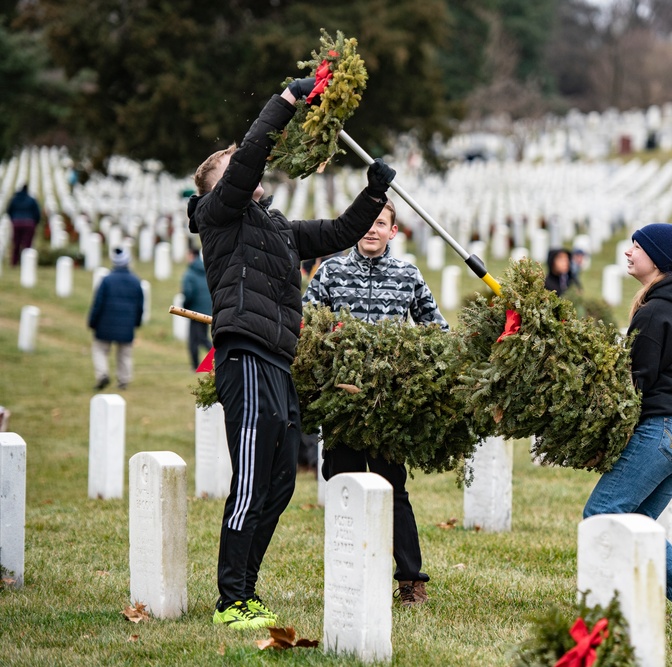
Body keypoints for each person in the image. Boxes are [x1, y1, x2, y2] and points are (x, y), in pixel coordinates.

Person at [187, 74, 396, 631]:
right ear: (219, 184)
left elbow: (335, 232)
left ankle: (247, 593)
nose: (247, 172)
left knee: (279, 485)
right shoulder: (217, 215)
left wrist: (374, 191)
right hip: (246, 354)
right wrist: (285, 101)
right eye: (232, 167)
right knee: (252, 480)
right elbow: (252, 155)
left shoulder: (277, 227)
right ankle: (230, 600)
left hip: (279, 361)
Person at [303, 197, 446, 607]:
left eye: (380, 223)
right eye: (367, 222)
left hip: (387, 406)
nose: (372, 229)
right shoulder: (330, 271)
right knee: (344, 486)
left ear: (392, 231)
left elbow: (435, 327)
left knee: (392, 489)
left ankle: (410, 581)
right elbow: (307, 327)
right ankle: (347, 568)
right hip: (342, 404)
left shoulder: (407, 275)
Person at [583, 222, 672, 618]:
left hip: (666, 432)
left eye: (637, 247)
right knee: (637, 521)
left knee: (602, 513)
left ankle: (601, 608)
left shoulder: (656, 312)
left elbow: (634, 386)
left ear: (658, 259)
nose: (629, 253)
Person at [88, 246, 145, 391]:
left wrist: (92, 322)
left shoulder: (107, 280)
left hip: (105, 323)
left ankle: (102, 374)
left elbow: (97, 303)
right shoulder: (135, 281)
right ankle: (123, 380)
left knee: (100, 349)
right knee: (124, 353)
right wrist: (137, 323)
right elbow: (140, 306)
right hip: (126, 324)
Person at [181, 245, 213, 370]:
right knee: (202, 338)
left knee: (195, 341)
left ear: (191, 255)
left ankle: (197, 365)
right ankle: (202, 364)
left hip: (194, 311)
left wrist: (185, 307)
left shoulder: (189, 273)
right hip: (207, 309)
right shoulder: (205, 270)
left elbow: (188, 293)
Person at [6, 184, 41, 265]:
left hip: (17, 222)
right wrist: (36, 222)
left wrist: (13, 219)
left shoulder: (14, 199)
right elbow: (37, 213)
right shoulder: (31, 200)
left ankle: (14, 262)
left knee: (16, 243)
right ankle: (26, 263)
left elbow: (9, 210)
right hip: (29, 223)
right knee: (27, 244)